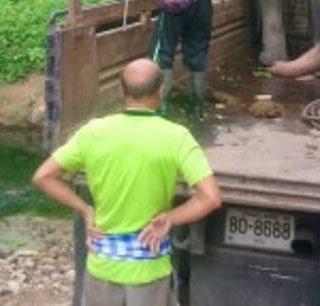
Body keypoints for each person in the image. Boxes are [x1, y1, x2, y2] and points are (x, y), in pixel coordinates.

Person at [33, 58, 223, 306]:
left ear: (120, 92)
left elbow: (43, 177)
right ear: (161, 91)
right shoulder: (177, 137)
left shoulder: (93, 132)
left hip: (102, 266)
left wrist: (85, 209)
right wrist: (171, 218)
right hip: (150, 269)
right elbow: (210, 197)